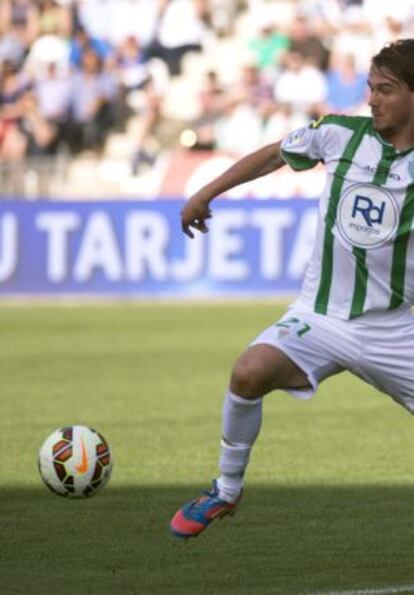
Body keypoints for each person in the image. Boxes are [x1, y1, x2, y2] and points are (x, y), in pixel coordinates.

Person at [169, 38, 414, 539]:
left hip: (397, 329)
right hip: (321, 315)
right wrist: (206, 190)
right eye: (370, 87)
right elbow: (274, 155)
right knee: (248, 372)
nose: (371, 99)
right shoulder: (340, 135)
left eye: (385, 90)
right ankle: (225, 491)